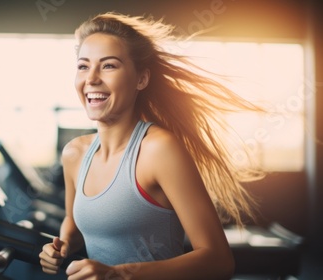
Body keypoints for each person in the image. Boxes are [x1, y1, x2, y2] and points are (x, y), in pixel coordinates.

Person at [39, 12, 262, 279]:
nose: (92, 79)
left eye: (108, 66)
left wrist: (118, 274)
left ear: (141, 79)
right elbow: (73, 226)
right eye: (83, 66)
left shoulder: (159, 149)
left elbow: (219, 260)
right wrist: (58, 247)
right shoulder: (74, 153)